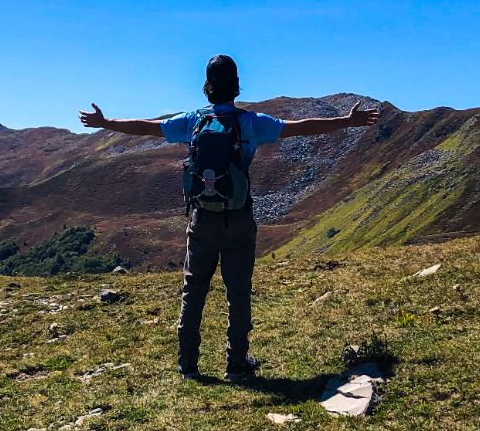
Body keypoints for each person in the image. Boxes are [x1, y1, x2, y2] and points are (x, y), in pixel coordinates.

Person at [79, 55, 379, 382]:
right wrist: (346, 122)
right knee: (237, 293)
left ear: (207, 87)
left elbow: (148, 129)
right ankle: (236, 365)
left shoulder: (193, 121)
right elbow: (300, 129)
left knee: (194, 290)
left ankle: (188, 365)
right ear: (236, 85)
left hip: (201, 218)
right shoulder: (251, 123)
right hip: (238, 219)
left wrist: (105, 122)